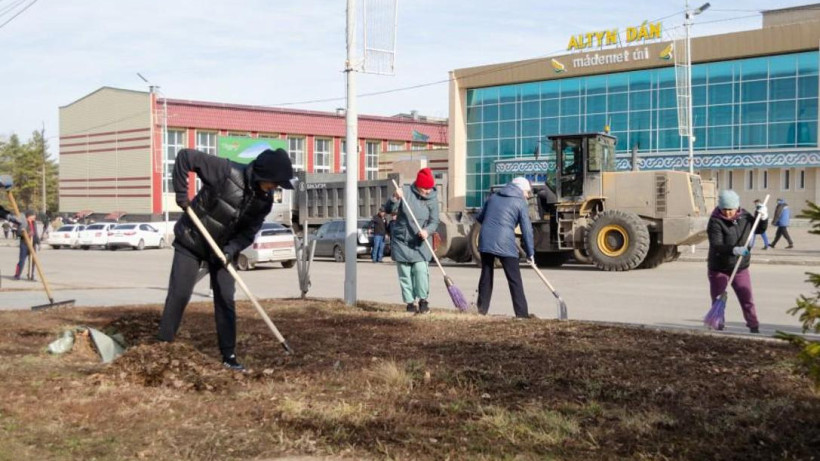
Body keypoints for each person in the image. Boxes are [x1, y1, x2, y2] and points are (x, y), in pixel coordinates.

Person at [157, 147, 295, 371]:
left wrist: (231, 250)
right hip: (192, 239)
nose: (275, 187)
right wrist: (181, 195)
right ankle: (163, 345)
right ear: (262, 175)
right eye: (275, 182)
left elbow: (248, 233)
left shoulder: (264, 202)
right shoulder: (226, 171)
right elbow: (185, 157)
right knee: (180, 293)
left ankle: (229, 356)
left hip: (222, 250)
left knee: (225, 299)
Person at [475, 177, 535, 318]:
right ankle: (522, 314)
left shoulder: (493, 197)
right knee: (514, 279)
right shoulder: (520, 202)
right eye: (527, 192)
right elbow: (527, 230)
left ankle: (481, 311)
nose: (527, 195)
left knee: (486, 274)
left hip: (486, 238)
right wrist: (530, 253)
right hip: (505, 242)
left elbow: (480, 218)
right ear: (520, 189)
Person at [384, 167, 440, 314]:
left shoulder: (433, 199)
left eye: (429, 188)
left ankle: (423, 301)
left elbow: (434, 221)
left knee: (421, 271)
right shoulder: (405, 192)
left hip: (420, 243)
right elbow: (388, 210)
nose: (427, 191)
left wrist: (427, 231)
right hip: (402, 241)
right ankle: (410, 303)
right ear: (418, 185)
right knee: (405, 274)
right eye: (425, 188)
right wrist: (395, 197)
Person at [707, 190, 760, 333]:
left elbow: (759, 228)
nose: (727, 212)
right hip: (719, 267)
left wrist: (763, 216)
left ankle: (753, 325)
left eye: (730, 209)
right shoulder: (715, 221)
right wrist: (734, 250)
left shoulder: (745, 216)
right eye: (724, 209)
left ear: (737, 207)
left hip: (740, 267)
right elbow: (716, 244)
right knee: (719, 299)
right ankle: (718, 324)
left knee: (746, 298)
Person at [14, 210, 39, 280]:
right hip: (24, 244)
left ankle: (31, 275)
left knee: (33, 261)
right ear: (29, 216)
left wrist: (38, 242)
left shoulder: (34, 223)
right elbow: (18, 233)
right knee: (22, 260)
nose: (35, 217)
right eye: (33, 215)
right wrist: (27, 234)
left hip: (32, 244)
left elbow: (36, 233)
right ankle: (17, 275)